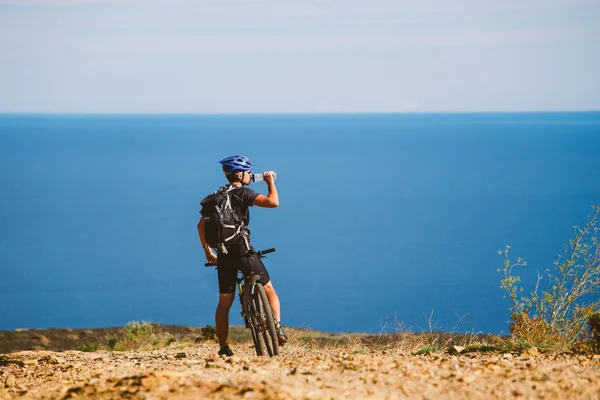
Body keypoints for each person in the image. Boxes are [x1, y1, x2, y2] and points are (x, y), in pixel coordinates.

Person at [197, 155, 288, 357]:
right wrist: (270, 182)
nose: (249, 175)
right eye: (248, 172)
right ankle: (277, 327)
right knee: (269, 289)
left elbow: (200, 226)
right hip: (241, 250)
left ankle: (223, 347)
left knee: (224, 302)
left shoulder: (215, 197)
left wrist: (208, 252)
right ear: (240, 174)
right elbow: (273, 202)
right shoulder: (242, 193)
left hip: (222, 253)